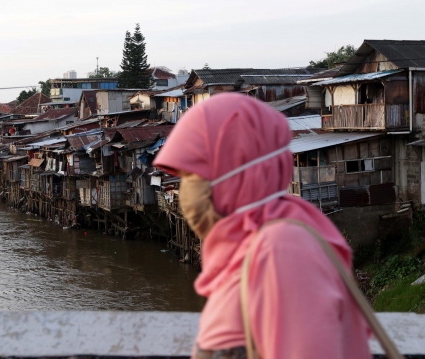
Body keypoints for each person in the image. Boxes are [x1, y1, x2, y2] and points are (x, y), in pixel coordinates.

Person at [153, 93, 371, 359]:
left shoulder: (283, 248)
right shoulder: (250, 246)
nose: (186, 188)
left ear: (243, 172)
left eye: (198, 174)